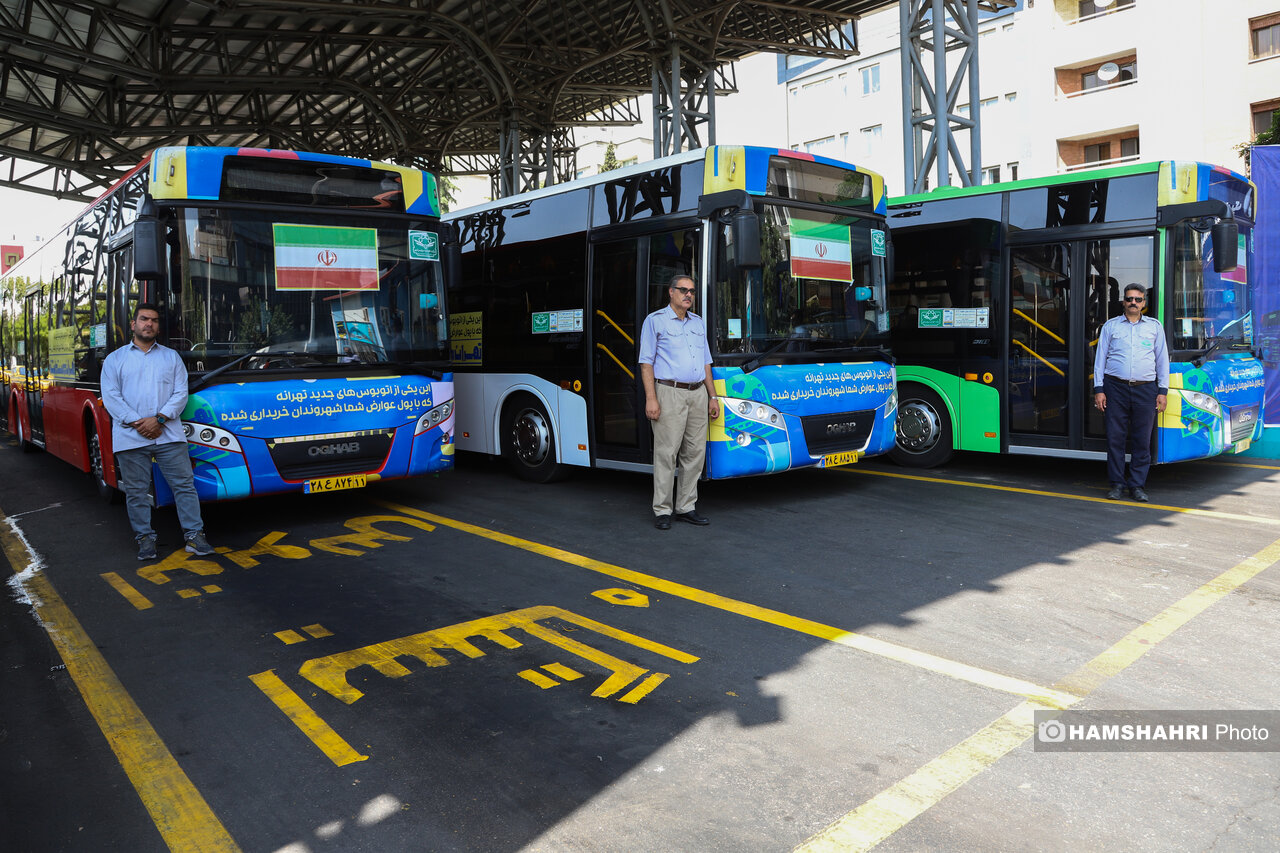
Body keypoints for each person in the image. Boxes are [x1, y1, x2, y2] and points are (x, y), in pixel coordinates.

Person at [100, 303, 215, 560]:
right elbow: (111, 398)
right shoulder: (115, 360)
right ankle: (145, 539)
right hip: (130, 437)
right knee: (137, 492)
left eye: (153, 320)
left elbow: (180, 393)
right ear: (133, 324)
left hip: (169, 435)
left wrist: (159, 419)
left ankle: (194, 536)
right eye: (143, 319)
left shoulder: (171, 357)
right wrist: (140, 423)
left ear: (158, 326)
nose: (148, 324)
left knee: (184, 487)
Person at [638, 274, 720, 530]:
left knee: (694, 453)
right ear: (670, 292)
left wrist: (713, 395)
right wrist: (651, 398)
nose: (688, 295)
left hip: (698, 394)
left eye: (692, 291)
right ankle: (662, 510)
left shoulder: (697, 322)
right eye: (683, 290)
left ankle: (686, 506)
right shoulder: (655, 321)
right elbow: (646, 362)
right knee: (667, 453)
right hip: (669, 392)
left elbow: (706, 362)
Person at [1093, 283, 1170, 503]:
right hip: (1114, 387)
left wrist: (1162, 391)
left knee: (1141, 441)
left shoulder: (1155, 327)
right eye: (1129, 299)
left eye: (1137, 299)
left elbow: (1162, 361)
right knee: (1115, 439)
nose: (1133, 303)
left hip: (1146, 389)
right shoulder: (1110, 326)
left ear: (1144, 303)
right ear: (1123, 302)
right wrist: (1099, 389)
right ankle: (1117, 484)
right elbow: (1100, 361)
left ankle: (1137, 485)